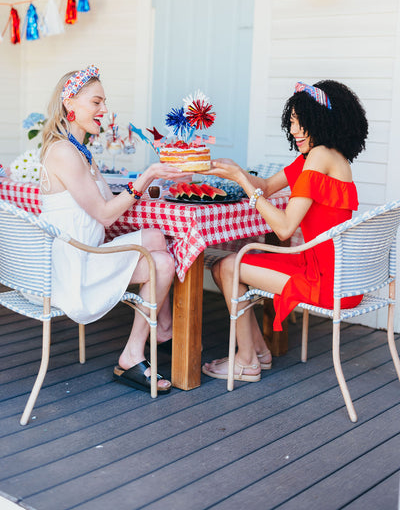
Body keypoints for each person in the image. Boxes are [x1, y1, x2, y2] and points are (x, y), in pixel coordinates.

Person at [201, 80, 368, 382]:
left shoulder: (318, 158)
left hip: (328, 282)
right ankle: (258, 352)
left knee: (227, 267)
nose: (293, 130)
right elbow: (265, 186)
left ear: (320, 120)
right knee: (225, 265)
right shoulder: (322, 156)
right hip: (327, 269)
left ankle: (247, 360)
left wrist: (240, 180)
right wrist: (234, 168)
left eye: (299, 122)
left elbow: (284, 228)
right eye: (291, 123)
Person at [40, 65, 184, 395]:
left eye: (103, 102)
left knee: (156, 237)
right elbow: (106, 216)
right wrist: (145, 176)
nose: (104, 110)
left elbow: (110, 199)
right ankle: (133, 354)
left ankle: (161, 327)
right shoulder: (63, 152)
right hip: (76, 266)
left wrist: (155, 183)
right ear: (70, 105)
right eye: (96, 102)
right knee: (162, 263)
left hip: (85, 251)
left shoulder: (79, 150)